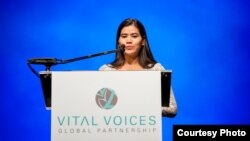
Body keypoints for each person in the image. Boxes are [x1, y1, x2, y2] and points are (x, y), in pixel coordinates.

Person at [99, 18, 177, 117]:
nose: (128, 40)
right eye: (124, 36)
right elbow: (99, 106)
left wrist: (140, 108)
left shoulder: (156, 69)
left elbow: (172, 108)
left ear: (143, 41)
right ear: (118, 41)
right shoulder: (106, 70)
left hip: (145, 130)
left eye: (134, 36)